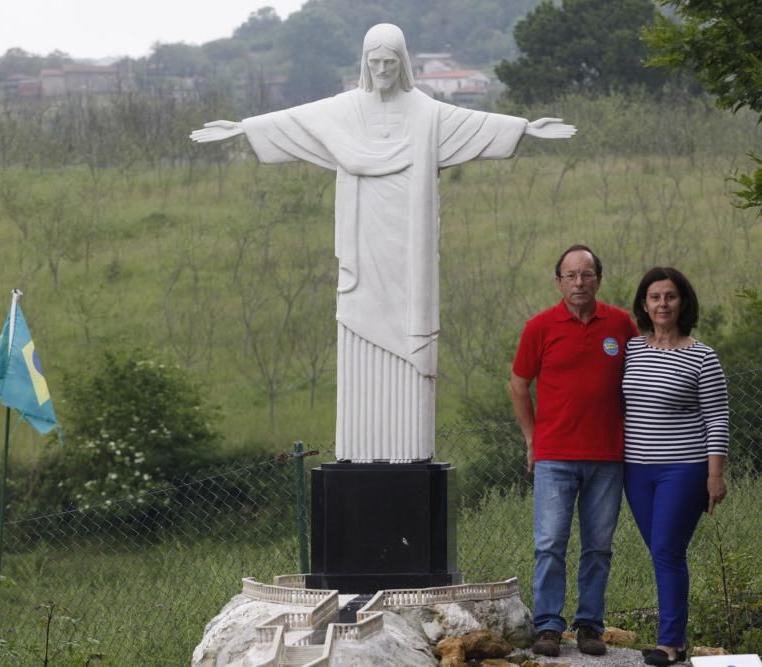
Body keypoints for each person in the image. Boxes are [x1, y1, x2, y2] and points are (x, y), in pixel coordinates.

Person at [191, 23, 575, 463]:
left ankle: (408, 445)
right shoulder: (345, 110)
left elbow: (474, 124)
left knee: (406, 315)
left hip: (408, 239)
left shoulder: (426, 114)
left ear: (403, 63)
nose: (382, 70)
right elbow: (297, 120)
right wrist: (243, 129)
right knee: (359, 314)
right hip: (362, 235)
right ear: (364, 64)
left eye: (390, 62)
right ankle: (360, 447)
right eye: (374, 63)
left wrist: (524, 129)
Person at [509, 245, 638, 657]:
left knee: (598, 546)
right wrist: (532, 437)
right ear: (559, 282)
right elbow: (518, 384)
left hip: (608, 456)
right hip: (555, 457)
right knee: (550, 543)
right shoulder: (540, 327)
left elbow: (640, 374)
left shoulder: (620, 325)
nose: (579, 282)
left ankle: (589, 626)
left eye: (587, 274)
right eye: (571, 275)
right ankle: (548, 626)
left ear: (598, 278)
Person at [622, 267, 729, 666]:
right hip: (636, 472)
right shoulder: (632, 349)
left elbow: (717, 417)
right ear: (644, 305)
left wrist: (714, 474)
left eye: (670, 296)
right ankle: (678, 640)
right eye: (654, 297)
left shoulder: (702, 356)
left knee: (667, 549)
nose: (662, 304)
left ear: (683, 302)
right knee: (662, 552)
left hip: (683, 470)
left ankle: (670, 643)